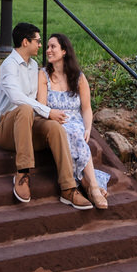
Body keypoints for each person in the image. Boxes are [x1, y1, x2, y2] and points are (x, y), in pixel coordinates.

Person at [0, 21, 92, 209]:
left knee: (55, 127)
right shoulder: (9, 65)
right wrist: (48, 111)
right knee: (23, 108)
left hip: (29, 126)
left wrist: (50, 116)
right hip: (6, 129)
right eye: (38, 41)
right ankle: (22, 173)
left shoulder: (34, 66)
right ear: (25, 42)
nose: (41, 45)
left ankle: (68, 187)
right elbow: (16, 97)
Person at [38, 32, 110, 211]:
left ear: (64, 51)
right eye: (47, 47)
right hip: (54, 120)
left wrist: (88, 128)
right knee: (69, 132)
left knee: (77, 132)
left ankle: (89, 184)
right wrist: (51, 114)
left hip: (76, 122)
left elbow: (86, 108)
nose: (48, 50)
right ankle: (92, 185)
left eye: (53, 46)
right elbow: (40, 105)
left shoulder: (78, 77)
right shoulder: (43, 75)